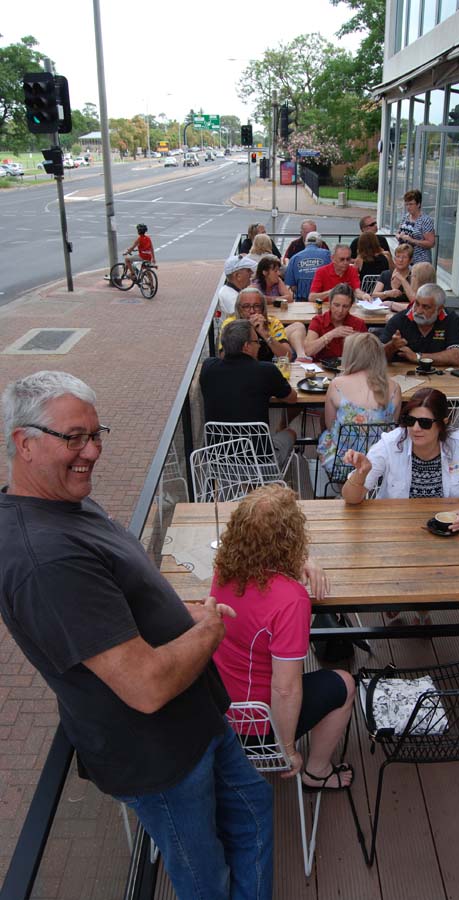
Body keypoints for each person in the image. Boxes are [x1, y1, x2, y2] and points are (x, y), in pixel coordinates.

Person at [0, 371, 273, 900]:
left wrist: (179, 614)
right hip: (159, 755)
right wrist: (209, 628)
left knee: (253, 809)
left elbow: (121, 598)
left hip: (195, 719)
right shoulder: (46, 561)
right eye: (74, 437)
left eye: (96, 434)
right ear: (23, 443)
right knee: (204, 875)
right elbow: (146, 686)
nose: (92, 451)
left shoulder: (61, 502)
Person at [212, 483, 356, 792]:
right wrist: (287, 748)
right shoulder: (290, 600)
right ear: (291, 537)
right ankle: (317, 772)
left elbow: (260, 563)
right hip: (254, 726)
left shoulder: (223, 570)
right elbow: (285, 689)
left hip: (217, 708)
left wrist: (303, 562)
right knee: (344, 683)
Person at [341, 386, 459, 536]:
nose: (415, 428)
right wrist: (360, 474)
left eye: (425, 423)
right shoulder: (390, 443)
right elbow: (351, 498)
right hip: (396, 530)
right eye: (410, 421)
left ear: (443, 424)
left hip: (448, 531)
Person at [202, 320, 298, 467]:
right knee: (291, 433)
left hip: (217, 462)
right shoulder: (266, 370)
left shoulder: (208, 367)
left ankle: (239, 482)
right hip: (260, 464)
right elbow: (292, 398)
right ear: (246, 346)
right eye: (256, 342)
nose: (259, 345)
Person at [318, 332, 401, 476]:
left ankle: (346, 487)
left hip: (342, 461)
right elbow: (392, 427)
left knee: (326, 434)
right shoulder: (394, 388)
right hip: (380, 464)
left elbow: (330, 425)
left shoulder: (337, 384)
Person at [382, 283, 459, 367]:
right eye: (417, 304)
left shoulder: (451, 320)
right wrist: (391, 346)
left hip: (440, 373)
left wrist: (418, 357)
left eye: (426, 307)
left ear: (439, 309)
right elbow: (378, 356)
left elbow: (456, 357)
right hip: (401, 373)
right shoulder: (399, 320)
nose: (418, 311)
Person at [220, 288, 293, 361]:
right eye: (246, 306)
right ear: (239, 309)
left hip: (266, 366)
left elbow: (287, 356)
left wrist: (266, 335)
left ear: (263, 308)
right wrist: (247, 329)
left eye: (257, 306)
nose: (252, 311)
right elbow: (223, 357)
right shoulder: (230, 324)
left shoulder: (273, 322)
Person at [304, 283, 368, 362]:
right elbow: (308, 351)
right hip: (322, 367)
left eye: (345, 306)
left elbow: (367, 354)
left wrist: (356, 340)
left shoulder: (359, 324)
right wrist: (331, 334)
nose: (340, 310)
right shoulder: (318, 321)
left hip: (349, 367)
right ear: (329, 303)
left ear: (351, 306)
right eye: (336, 305)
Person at [284, 231, 331, 300]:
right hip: (323, 299)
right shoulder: (327, 255)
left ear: (305, 243)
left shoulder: (294, 258)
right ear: (320, 244)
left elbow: (292, 286)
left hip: (301, 300)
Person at [396, 189, 435, 264]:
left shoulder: (426, 220)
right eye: (406, 204)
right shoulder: (406, 217)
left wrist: (412, 240)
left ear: (418, 204)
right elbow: (398, 232)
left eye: (411, 204)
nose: (408, 207)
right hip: (405, 261)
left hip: (420, 261)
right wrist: (398, 236)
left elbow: (431, 243)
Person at [372, 243, 414, 309]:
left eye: (404, 257)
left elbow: (414, 301)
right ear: (394, 259)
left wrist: (403, 280)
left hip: (403, 311)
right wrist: (387, 293)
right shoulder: (385, 274)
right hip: (384, 311)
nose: (400, 260)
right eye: (398, 256)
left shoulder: (413, 277)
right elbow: (374, 296)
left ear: (410, 260)